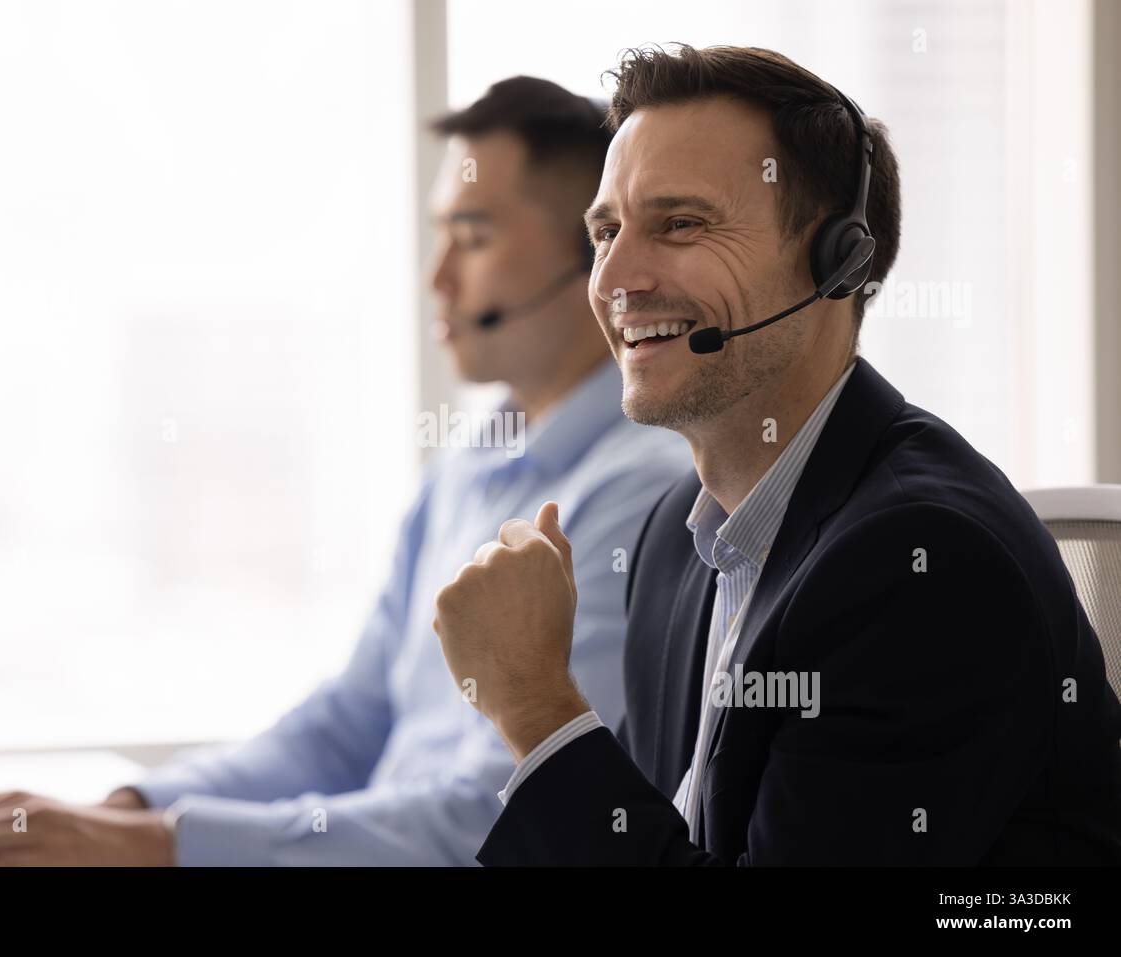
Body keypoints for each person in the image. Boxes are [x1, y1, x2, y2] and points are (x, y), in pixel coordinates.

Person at [0, 76, 692, 866]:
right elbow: (347, 724)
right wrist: (124, 810)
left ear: (591, 257)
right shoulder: (465, 469)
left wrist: (161, 846)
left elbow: (498, 819)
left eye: (473, 236)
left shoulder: (642, 493)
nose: (438, 279)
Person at [432, 45, 1121, 865]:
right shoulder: (676, 541)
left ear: (838, 261)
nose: (615, 279)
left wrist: (533, 704)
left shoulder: (919, 562)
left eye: (680, 224)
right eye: (606, 232)